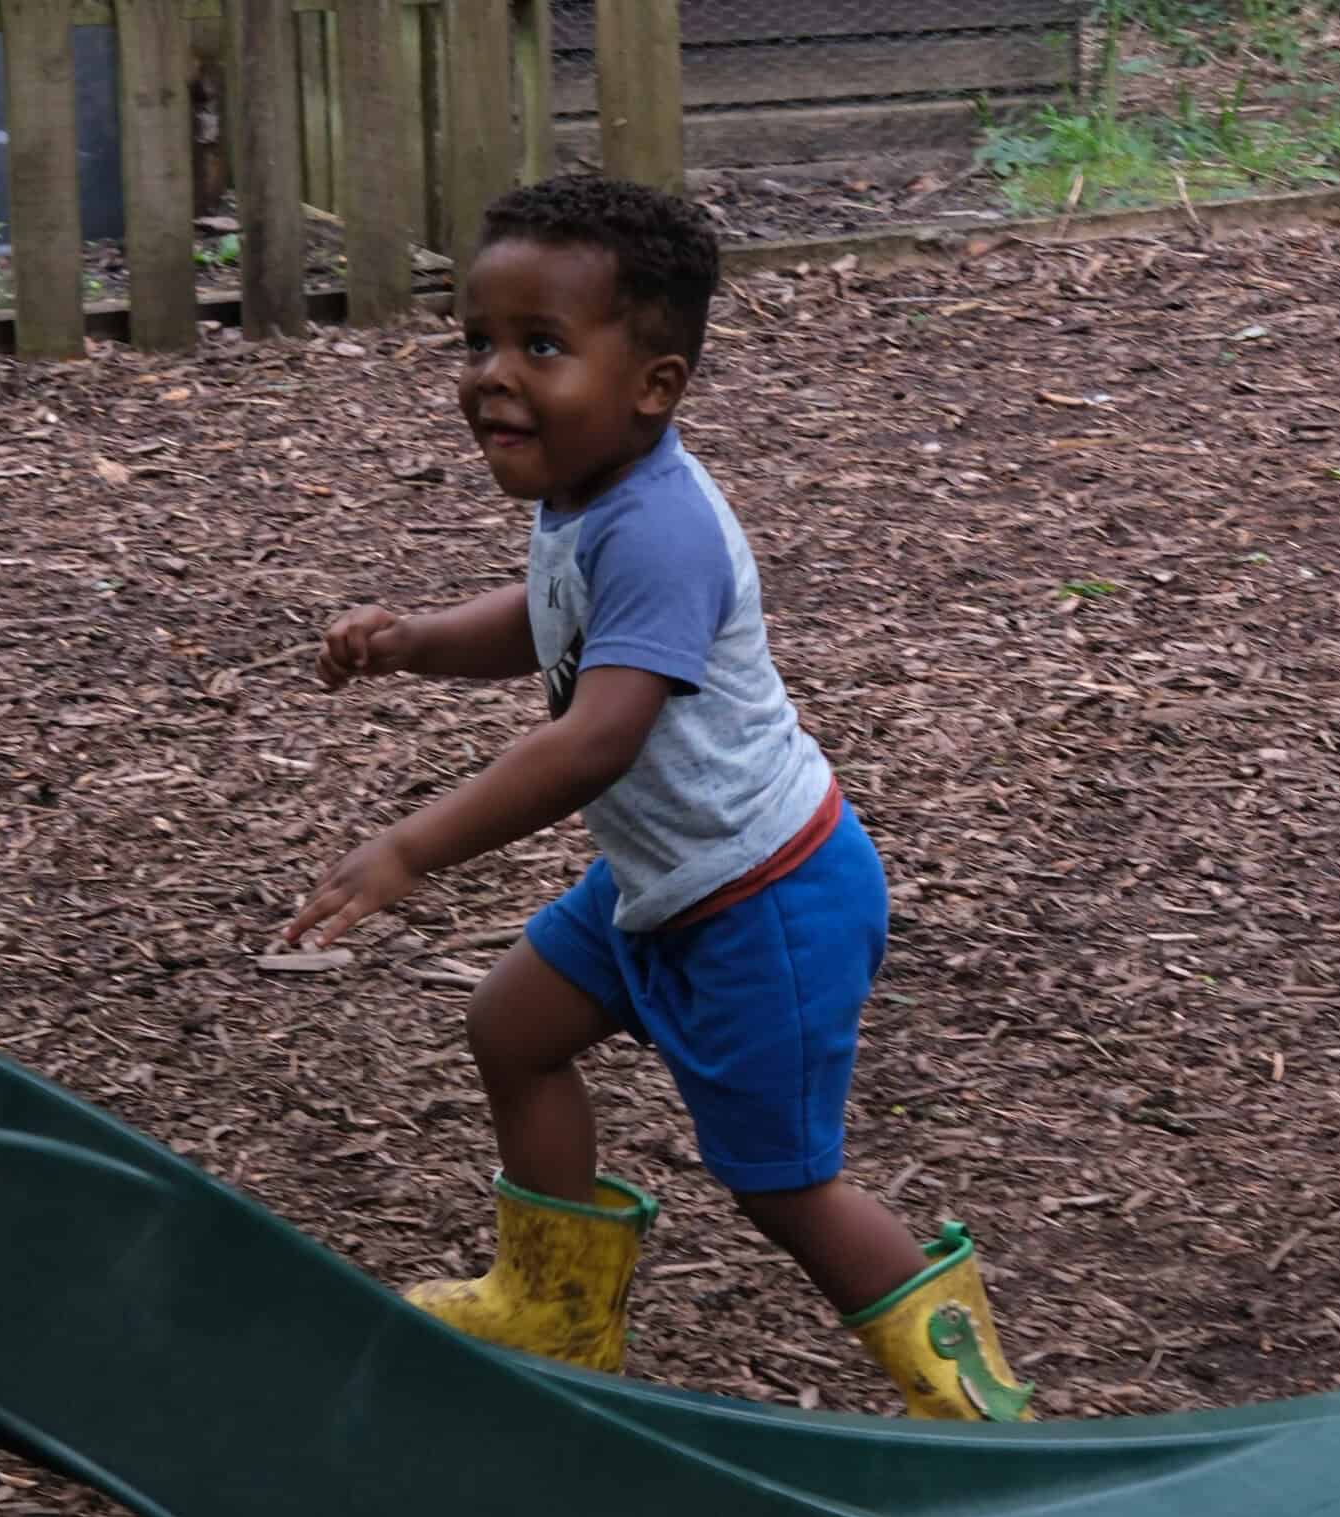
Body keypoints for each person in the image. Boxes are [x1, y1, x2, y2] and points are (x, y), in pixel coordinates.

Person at [281, 177, 1032, 1422]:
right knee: (512, 1031)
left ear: (654, 386)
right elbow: (546, 619)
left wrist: (412, 848)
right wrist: (417, 638)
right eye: (477, 340)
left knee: (784, 1185)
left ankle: (981, 1413)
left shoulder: (663, 527)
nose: (490, 375)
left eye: (540, 346)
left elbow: (596, 742)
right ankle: (555, 1307)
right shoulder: (583, 497)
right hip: (666, 883)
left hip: (764, 900)